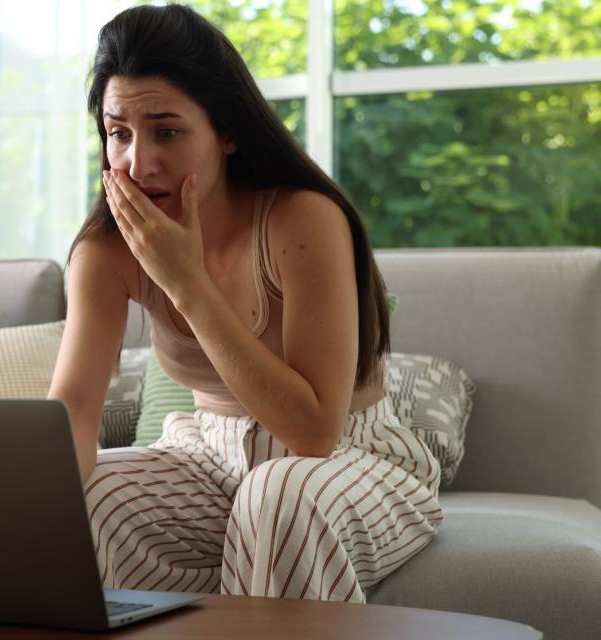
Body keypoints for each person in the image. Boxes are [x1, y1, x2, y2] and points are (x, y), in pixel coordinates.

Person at [47, 4, 443, 604]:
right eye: (118, 132)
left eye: (167, 131)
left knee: (278, 497)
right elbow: (73, 411)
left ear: (227, 131)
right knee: (94, 496)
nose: (136, 163)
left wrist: (187, 285)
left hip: (350, 457)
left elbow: (313, 432)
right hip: (210, 452)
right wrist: (34, 509)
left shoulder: (302, 219)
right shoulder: (107, 249)